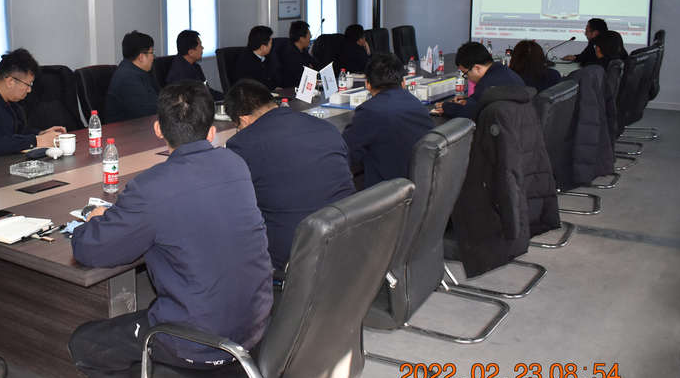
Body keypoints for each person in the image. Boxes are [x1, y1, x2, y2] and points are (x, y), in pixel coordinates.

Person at [68, 81, 272, 378]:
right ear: (211, 131)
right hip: (256, 326)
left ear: (158, 129)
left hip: (197, 343)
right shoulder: (235, 164)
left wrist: (95, 219)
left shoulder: (151, 187)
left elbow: (90, 251)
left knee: (85, 343)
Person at [225, 79, 355, 272]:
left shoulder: (243, 144)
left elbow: (233, 204)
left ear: (243, 120)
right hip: (348, 236)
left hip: (294, 255)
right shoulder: (324, 126)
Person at [342, 53, 434, 189]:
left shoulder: (369, 111)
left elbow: (346, 151)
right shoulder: (416, 103)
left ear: (368, 84)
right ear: (403, 82)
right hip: (422, 184)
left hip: (389, 193)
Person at [0, 48, 64, 156]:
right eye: (28, 84)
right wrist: (36, 141)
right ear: (10, 82)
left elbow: (16, 133)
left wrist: (41, 134)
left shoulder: (8, 100)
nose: (29, 90)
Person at [434, 41, 525, 120]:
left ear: (477, 68)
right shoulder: (503, 70)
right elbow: (480, 100)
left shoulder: (486, 84)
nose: (467, 77)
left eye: (466, 73)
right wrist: (467, 100)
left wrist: (447, 107)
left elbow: (470, 113)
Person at [105, 30, 160, 122]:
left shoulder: (140, 71)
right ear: (141, 57)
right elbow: (149, 111)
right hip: (125, 128)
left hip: (140, 124)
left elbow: (159, 97)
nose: (153, 57)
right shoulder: (127, 78)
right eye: (151, 53)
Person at [166, 29, 222, 99]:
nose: (202, 48)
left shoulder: (195, 66)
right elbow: (191, 100)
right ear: (191, 52)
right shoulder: (179, 74)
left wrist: (225, 97)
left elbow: (206, 91)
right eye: (200, 46)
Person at [233, 25, 277, 90]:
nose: (272, 45)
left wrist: (275, 88)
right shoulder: (246, 62)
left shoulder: (267, 57)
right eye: (270, 43)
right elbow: (254, 87)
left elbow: (273, 78)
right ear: (263, 47)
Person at [279, 20, 315, 88]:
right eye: (309, 35)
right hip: (292, 89)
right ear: (301, 38)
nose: (311, 37)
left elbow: (314, 64)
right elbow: (302, 76)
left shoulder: (302, 50)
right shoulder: (290, 55)